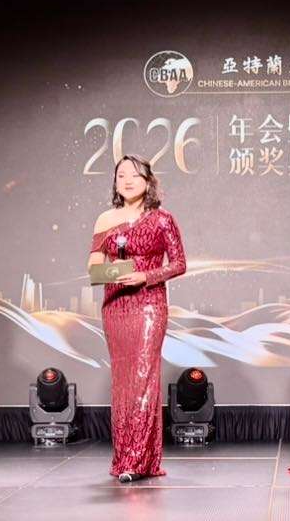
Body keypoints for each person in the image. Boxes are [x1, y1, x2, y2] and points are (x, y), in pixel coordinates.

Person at [88, 155, 186, 482]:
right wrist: (115, 272)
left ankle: (137, 460)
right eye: (121, 175)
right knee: (124, 383)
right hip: (115, 305)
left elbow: (179, 264)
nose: (127, 180)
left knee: (143, 378)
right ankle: (126, 458)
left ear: (148, 180)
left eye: (134, 175)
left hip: (149, 305)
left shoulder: (162, 219)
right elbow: (93, 267)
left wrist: (145, 276)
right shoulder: (105, 218)